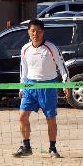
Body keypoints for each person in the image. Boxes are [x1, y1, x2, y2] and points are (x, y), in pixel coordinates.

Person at [13, 19, 71, 158]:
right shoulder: (25, 49)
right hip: (30, 86)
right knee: (22, 116)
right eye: (33, 30)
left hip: (48, 86)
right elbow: (23, 69)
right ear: (28, 32)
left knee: (50, 119)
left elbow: (62, 65)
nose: (35, 34)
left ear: (42, 32)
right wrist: (22, 87)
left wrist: (66, 83)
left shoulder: (51, 47)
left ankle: (52, 148)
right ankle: (26, 146)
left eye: (38, 31)